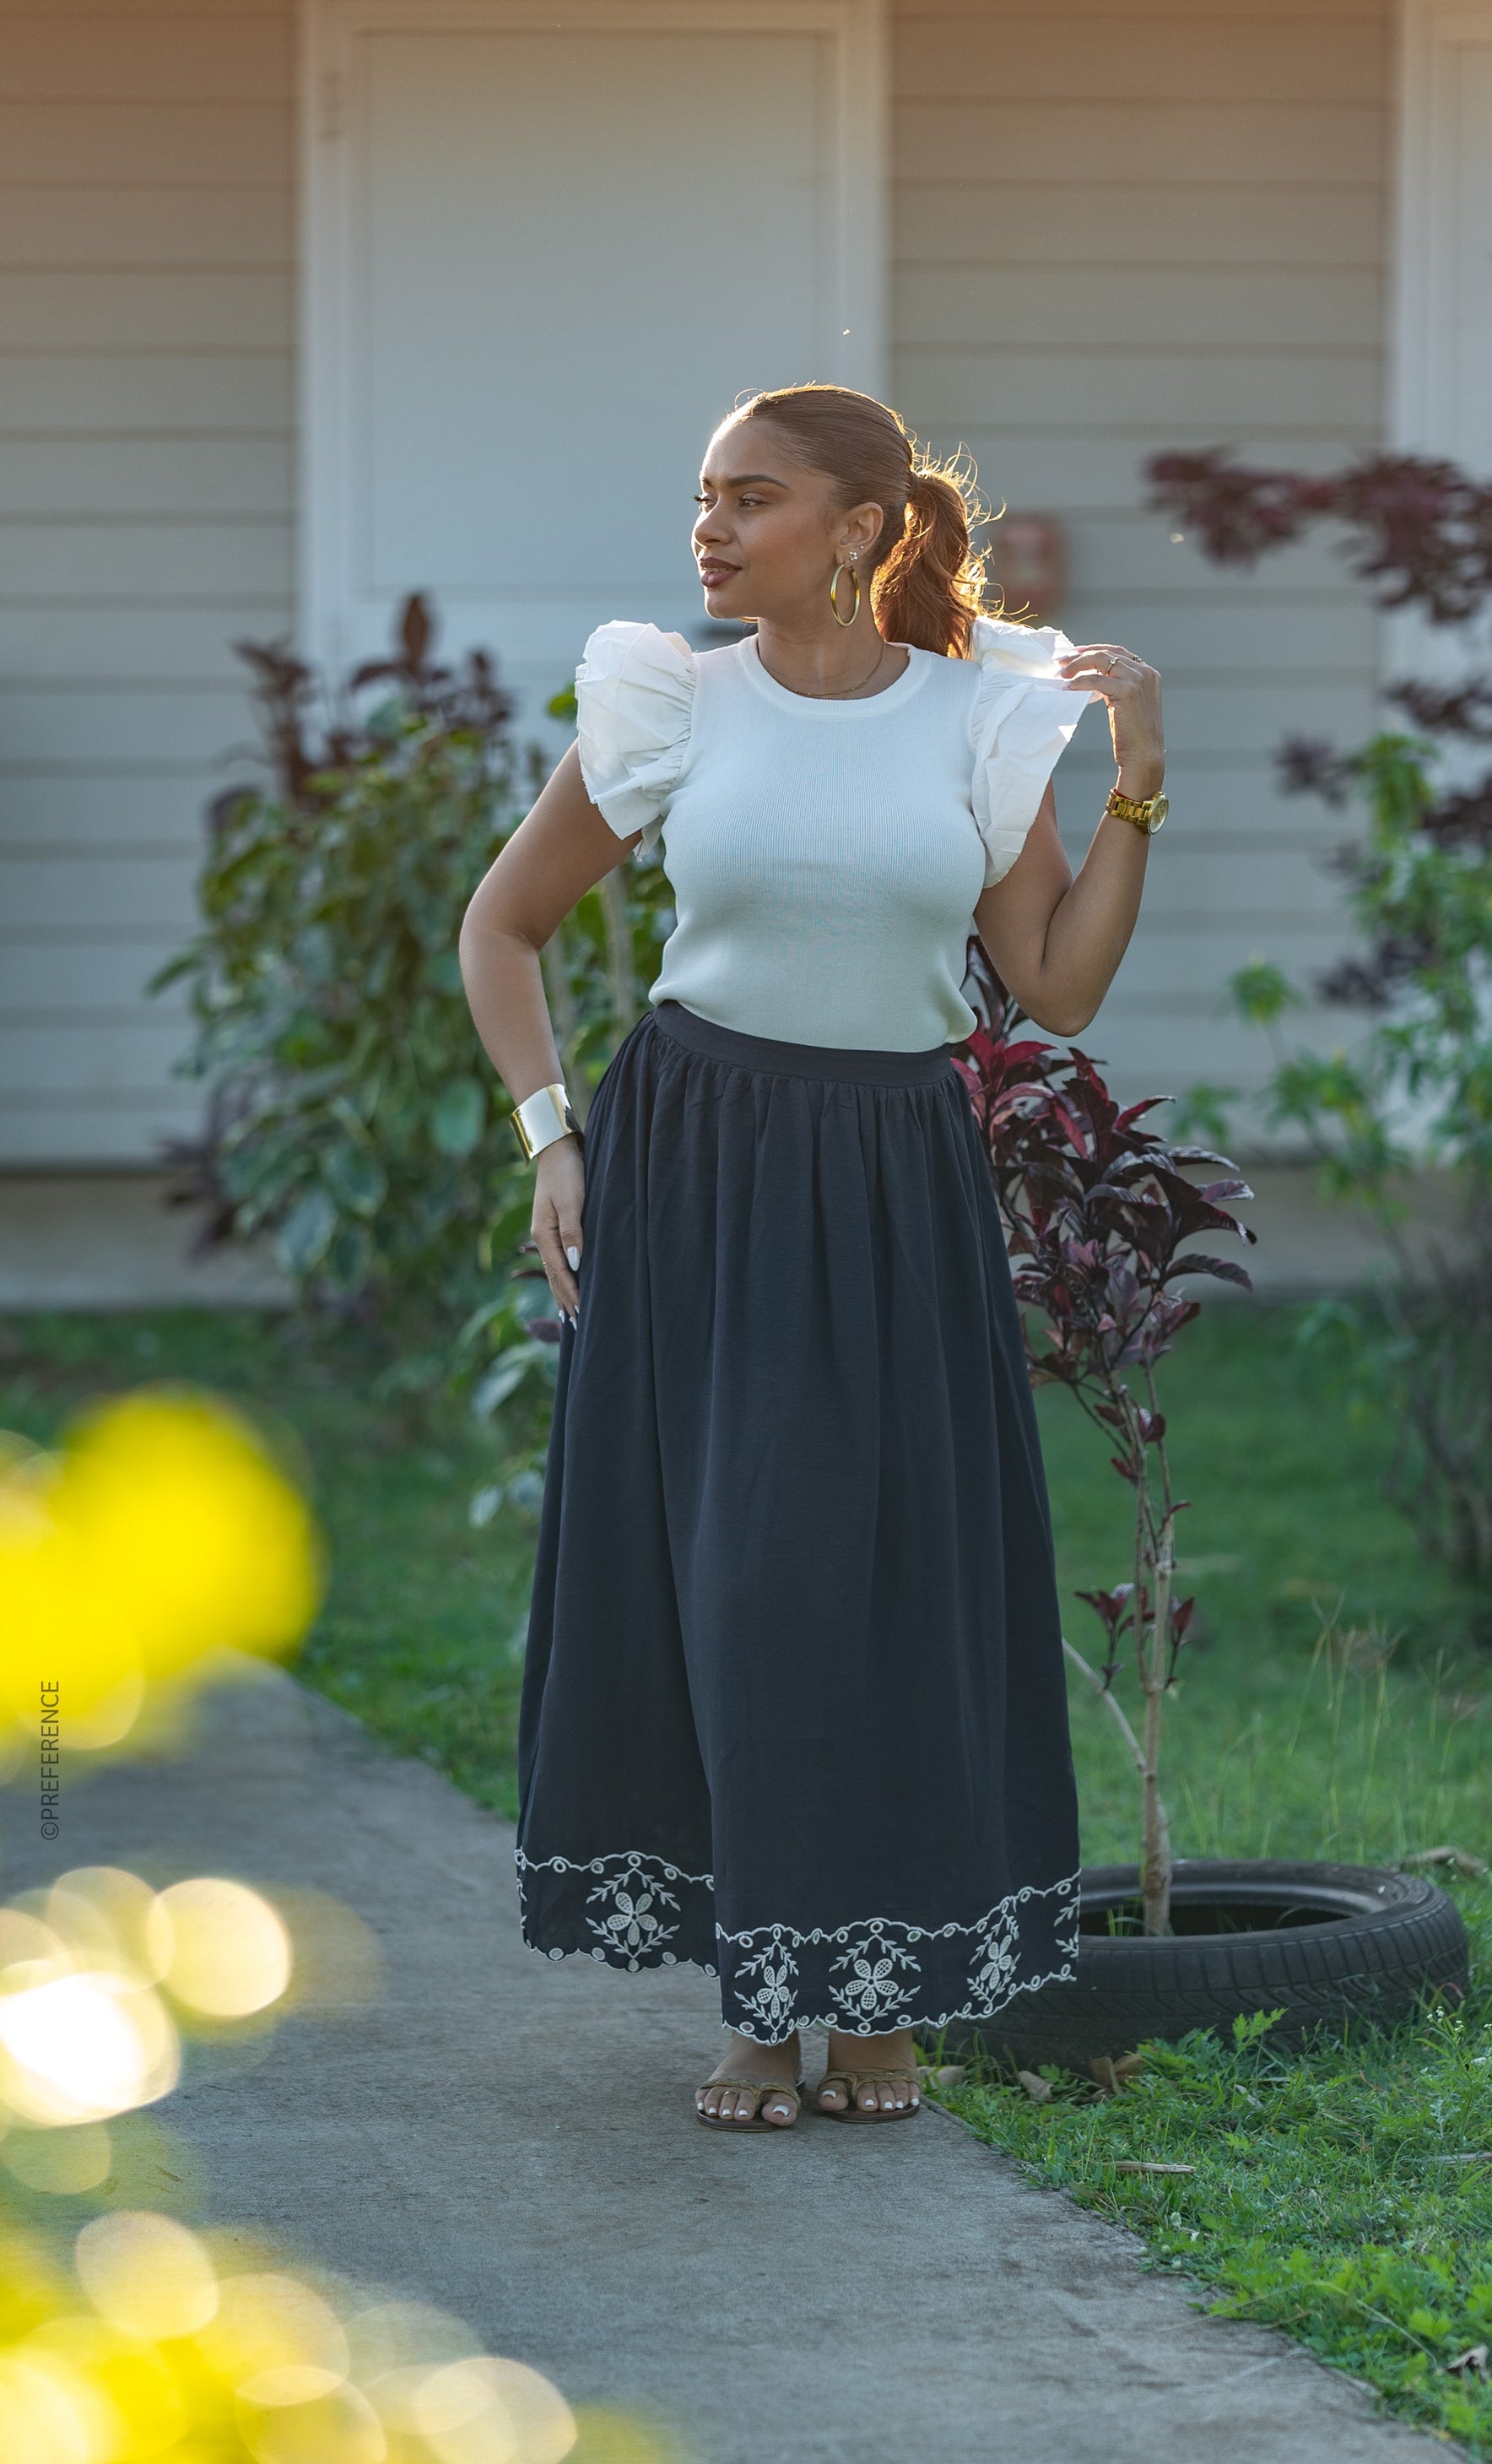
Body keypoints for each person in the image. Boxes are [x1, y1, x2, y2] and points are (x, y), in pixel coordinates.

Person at [460, 383, 1165, 2131]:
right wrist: (555, 1139)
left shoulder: (981, 719)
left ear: (858, 528)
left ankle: (879, 1996)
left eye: (751, 497)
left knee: (885, 1576)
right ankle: (762, 2003)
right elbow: (504, 924)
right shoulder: (670, 701)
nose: (710, 528)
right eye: (704, 495)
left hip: (894, 1180)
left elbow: (1057, 987)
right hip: (696, 1165)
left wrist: (1137, 786)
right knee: (738, 1575)